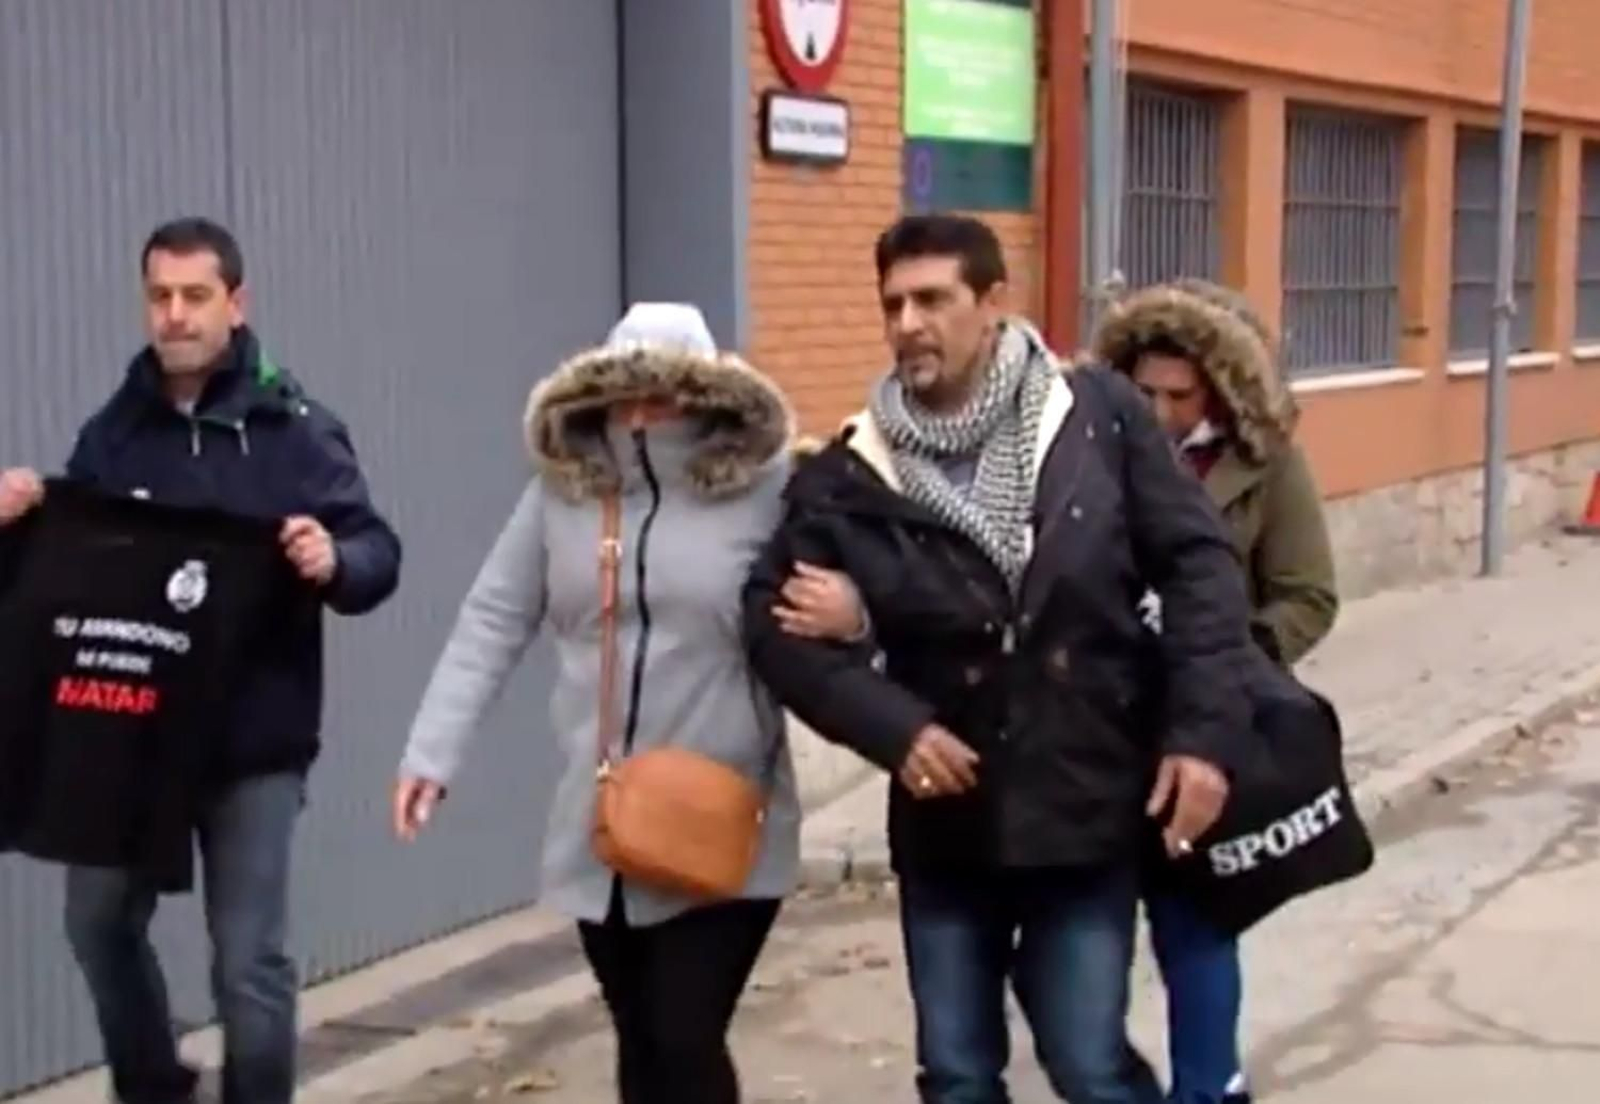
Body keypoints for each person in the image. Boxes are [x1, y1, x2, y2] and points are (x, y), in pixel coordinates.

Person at [742, 214, 1254, 1104]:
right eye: (893, 303)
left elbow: (1200, 566)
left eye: (933, 299)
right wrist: (892, 727)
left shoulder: (1098, 418)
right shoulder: (850, 472)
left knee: (1089, 1063)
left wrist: (1203, 736)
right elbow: (770, 620)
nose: (909, 323)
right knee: (958, 1072)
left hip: (1086, 798)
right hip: (950, 816)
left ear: (992, 302)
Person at [0, 216, 402, 1104]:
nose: (174, 316)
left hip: (254, 743)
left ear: (235, 303)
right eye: (159, 297)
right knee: (96, 920)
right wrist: (17, 521)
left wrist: (335, 560)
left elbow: (376, 552)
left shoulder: (296, 431)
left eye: (194, 296)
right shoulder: (116, 432)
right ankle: (154, 1086)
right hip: (127, 737)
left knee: (249, 964)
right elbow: (64, 574)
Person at [394, 302, 803, 1104]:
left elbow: (841, 606)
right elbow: (493, 617)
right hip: (604, 818)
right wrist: (430, 754)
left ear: (706, 394)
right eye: (627, 396)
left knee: (685, 1041)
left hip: (726, 814)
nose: (643, 416)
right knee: (643, 1046)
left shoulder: (769, 489)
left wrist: (854, 626)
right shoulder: (564, 495)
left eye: (665, 395)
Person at [1093, 277, 1339, 1104]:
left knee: (1195, 930)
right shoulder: (1086, 453)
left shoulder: (1263, 465)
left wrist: (1234, 665)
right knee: (1080, 942)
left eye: (1178, 393)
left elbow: (1308, 594)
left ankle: (1209, 1089)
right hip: (1096, 731)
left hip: (1205, 732)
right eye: (1143, 389)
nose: (1157, 409)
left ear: (1217, 391)